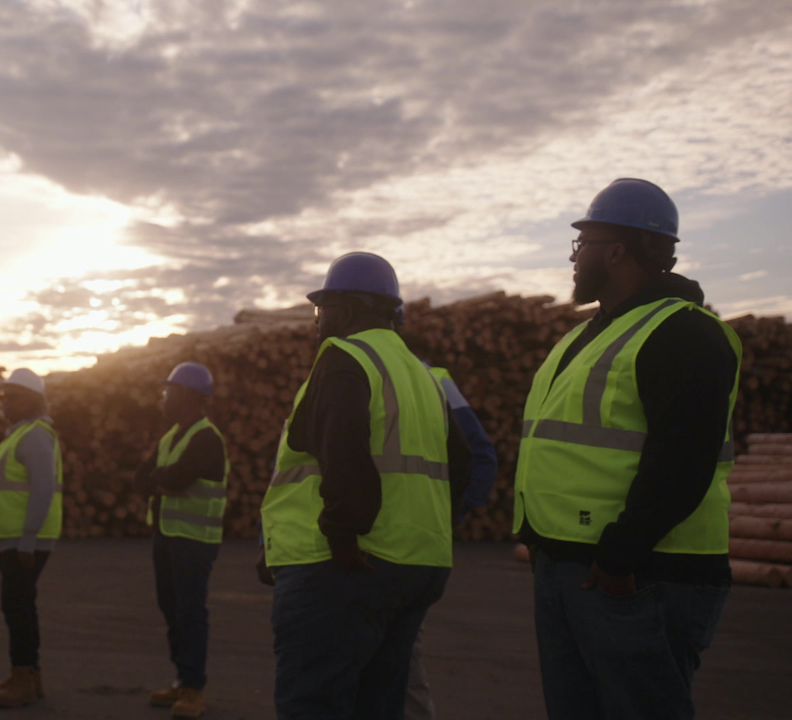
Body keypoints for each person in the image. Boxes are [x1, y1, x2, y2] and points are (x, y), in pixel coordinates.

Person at [514, 178, 741, 720]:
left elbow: (684, 458)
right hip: (575, 567)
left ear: (616, 251)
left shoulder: (683, 334)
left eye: (582, 245)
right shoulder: (589, 335)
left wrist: (622, 554)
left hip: (640, 575)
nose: (575, 258)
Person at [258, 251, 471, 720]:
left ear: (349, 310)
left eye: (322, 308)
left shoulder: (343, 357)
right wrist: (431, 528)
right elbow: (464, 462)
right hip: (417, 566)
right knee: (380, 703)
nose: (317, 321)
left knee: (312, 701)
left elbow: (343, 453)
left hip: (342, 569)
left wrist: (341, 536)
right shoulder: (421, 374)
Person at [136, 362, 230, 720]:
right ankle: (181, 679)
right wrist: (162, 478)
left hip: (194, 541)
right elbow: (142, 479)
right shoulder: (173, 436)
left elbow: (176, 479)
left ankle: (194, 689)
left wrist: (161, 478)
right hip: (167, 536)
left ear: (189, 396)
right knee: (171, 609)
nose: (163, 399)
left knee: (190, 612)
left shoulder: (206, 438)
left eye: (169, 392)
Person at [406, 364, 499, 720]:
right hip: (406, 549)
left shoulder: (431, 378)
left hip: (397, 550)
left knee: (397, 668)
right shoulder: (434, 376)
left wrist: (447, 516)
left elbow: (480, 456)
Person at [0, 368, 63, 708]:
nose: (4, 403)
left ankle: (24, 677)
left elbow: (43, 490)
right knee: (18, 607)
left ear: (30, 400)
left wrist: (27, 540)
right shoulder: (21, 434)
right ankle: (27, 674)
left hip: (26, 541)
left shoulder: (35, 436)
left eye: (11, 397)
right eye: (2, 397)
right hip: (12, 540)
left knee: (17, 608)